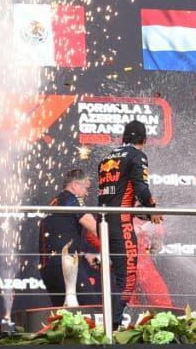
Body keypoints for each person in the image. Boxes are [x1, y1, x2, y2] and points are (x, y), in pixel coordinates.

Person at [97, 119, 161, 325]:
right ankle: (111, 329)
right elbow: (141, 190)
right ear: (144, 140)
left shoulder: (107, 158)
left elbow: (117, 197)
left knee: (118, 277)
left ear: (123, 137)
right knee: (127, 279)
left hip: (104, 224)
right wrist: (152, 209)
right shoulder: (137, 156)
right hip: (121, 224)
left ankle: (109, 326)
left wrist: (143, 212)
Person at [37, 168, 100, 308]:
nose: (86, 193)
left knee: (64, 312)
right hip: (66, 266)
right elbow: (94, 227)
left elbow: (60, 235)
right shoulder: (72, 199)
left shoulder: (55, 201)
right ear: (75, 185)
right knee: (91, 308)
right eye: (86, 188)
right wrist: (117, 238)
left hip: (48, 267)